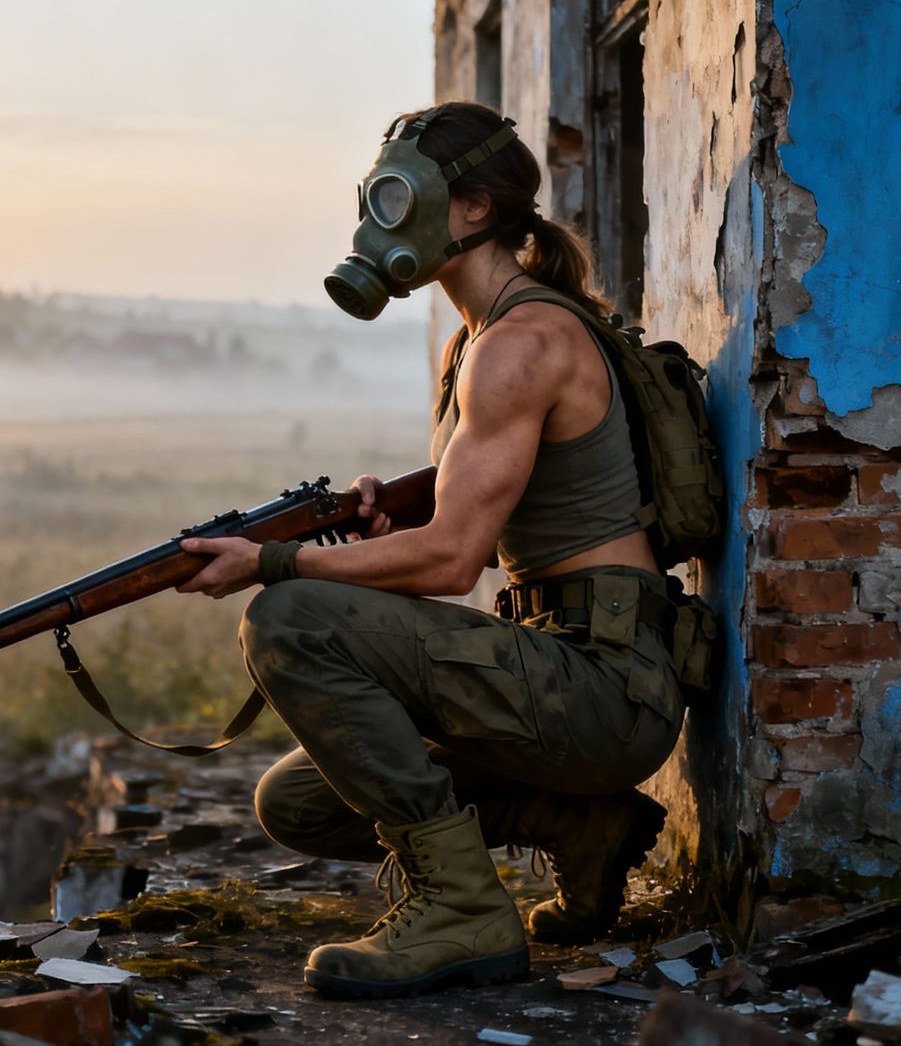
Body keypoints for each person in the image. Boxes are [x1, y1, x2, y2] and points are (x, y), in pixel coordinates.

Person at [177, 101, 683, 1000]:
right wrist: (392, 520)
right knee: (297, 800)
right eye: (375, 195)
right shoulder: (472, 344)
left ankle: (460, 912)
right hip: (561, 675)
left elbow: (452, 564)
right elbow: (472, 531)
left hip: (607, 688)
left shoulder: (522, 341)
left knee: (288, 618)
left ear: (474, 210)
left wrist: (273, 563)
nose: (380, 217)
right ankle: (579, 823)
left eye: (399, 194)